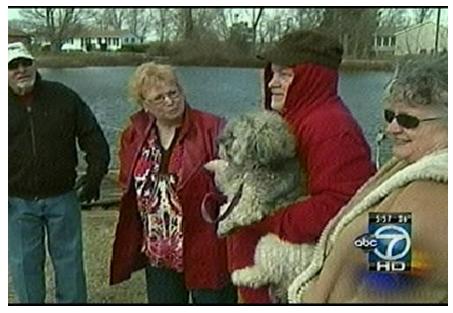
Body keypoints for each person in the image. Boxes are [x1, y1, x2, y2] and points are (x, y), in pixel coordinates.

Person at [227, 30, 377, 303]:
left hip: (294, 281)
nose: (273, 82)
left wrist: (264, 219)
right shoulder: (295, 118)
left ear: (313, 76)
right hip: (269, 273)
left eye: (285, 74)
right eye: (272, 73)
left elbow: (343, 203)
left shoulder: (330, 127)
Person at [288, 55, 448, 303]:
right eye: (390, 115)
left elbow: (386, 290)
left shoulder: (429, 195)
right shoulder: (411, 166)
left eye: (408, 120)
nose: (391, 128)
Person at [109, 62, 237, 304]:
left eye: (173, 93)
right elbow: (128, 183)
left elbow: (235, 184)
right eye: (159, 98)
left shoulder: (213, 128)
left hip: (205, 248)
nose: (170, 101)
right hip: (158, 253)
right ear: (145, 105)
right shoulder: (134, 135)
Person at [8, 42, 110, 303]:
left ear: (34, 64)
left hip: (63, 198)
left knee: (70, 267)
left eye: (25, 63)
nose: (20, 70)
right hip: (16, 203)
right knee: (24, 269)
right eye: (12, 66)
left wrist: (94, 175)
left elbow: (93, 137)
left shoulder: (63, 96)